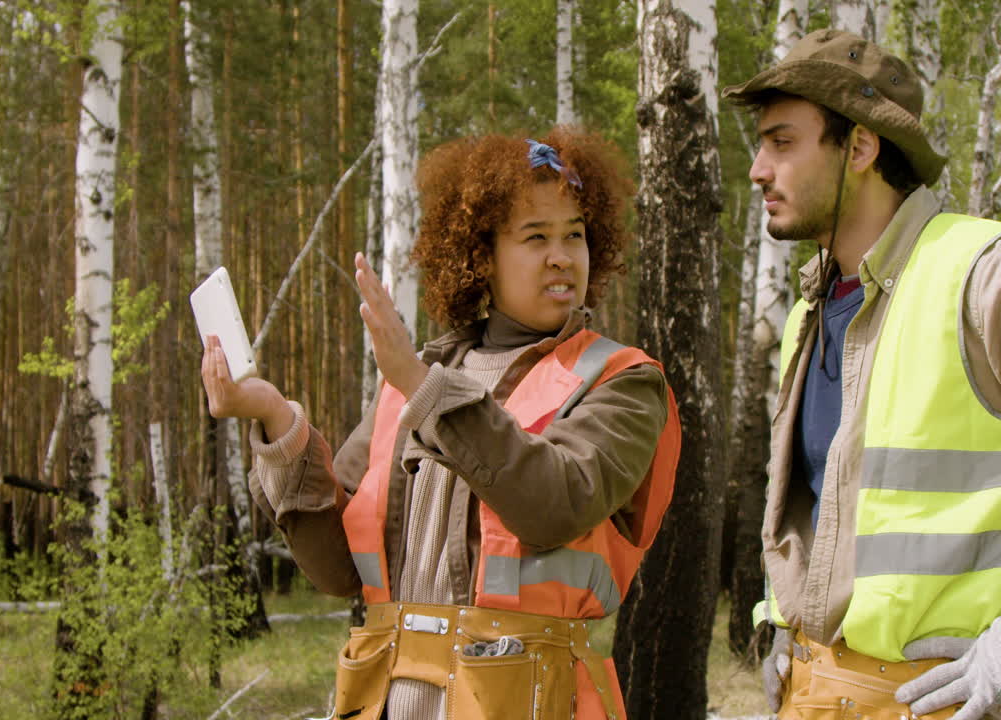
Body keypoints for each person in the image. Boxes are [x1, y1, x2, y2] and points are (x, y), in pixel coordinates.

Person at [721, 29, 1001, 720]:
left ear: (862, 148)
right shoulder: (810, 313)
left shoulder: (983, 272)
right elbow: (824, 503)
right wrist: (786, 622)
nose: (758, 168)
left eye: (782, 141)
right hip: (816, 697)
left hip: (948, 702)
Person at [199, 126, 680, 720]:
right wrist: (274, 417)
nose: (561, 256)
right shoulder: (416, 380)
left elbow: (555, 502)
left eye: (574, 235)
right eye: (535, 237)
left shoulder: (623, 381)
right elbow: (336, 567)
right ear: (482, 258)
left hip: (533, 703)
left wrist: (423, 387)